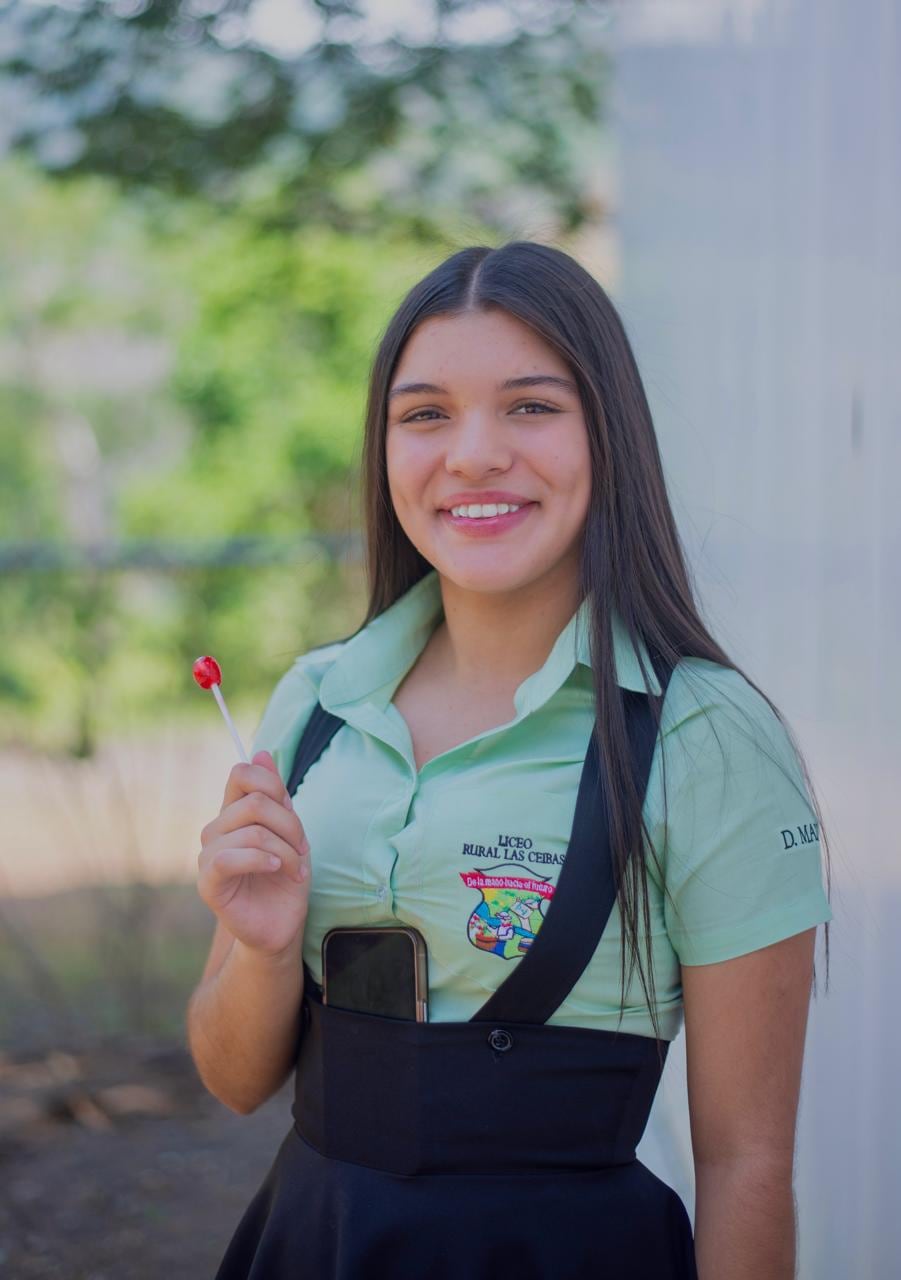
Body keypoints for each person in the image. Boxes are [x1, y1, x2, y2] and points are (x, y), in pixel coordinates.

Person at [187, 240, 833, 1279]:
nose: (473, 453)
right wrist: (259, 948)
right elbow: (231, 1079)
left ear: (607, 435)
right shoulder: (316, 699)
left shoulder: (702, 734)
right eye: (426, 413)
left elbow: (746, 1160)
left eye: (530, 406)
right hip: (314, 1243)